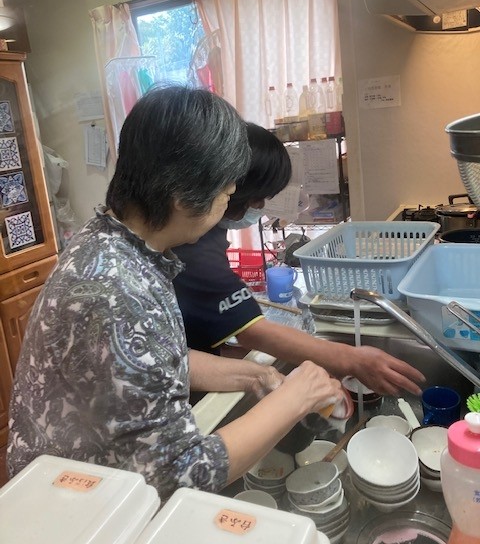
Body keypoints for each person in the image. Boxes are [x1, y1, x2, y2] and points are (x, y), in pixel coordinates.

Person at [7, 86, 341, 502]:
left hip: (85, 483)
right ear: (183, 197)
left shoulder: (114, 243)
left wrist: (256, 376)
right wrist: (295, 398)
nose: (229, 205)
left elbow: (160, 360)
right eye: (226, 194)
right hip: (75, 506)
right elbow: (182, 473)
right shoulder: (117, 292)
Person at [174, 123, 425, 397]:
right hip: (178, 384)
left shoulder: (208, 230)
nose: (260, 206)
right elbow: (252, 332)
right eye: (257, 197)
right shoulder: (192, 245)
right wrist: (349, 359)